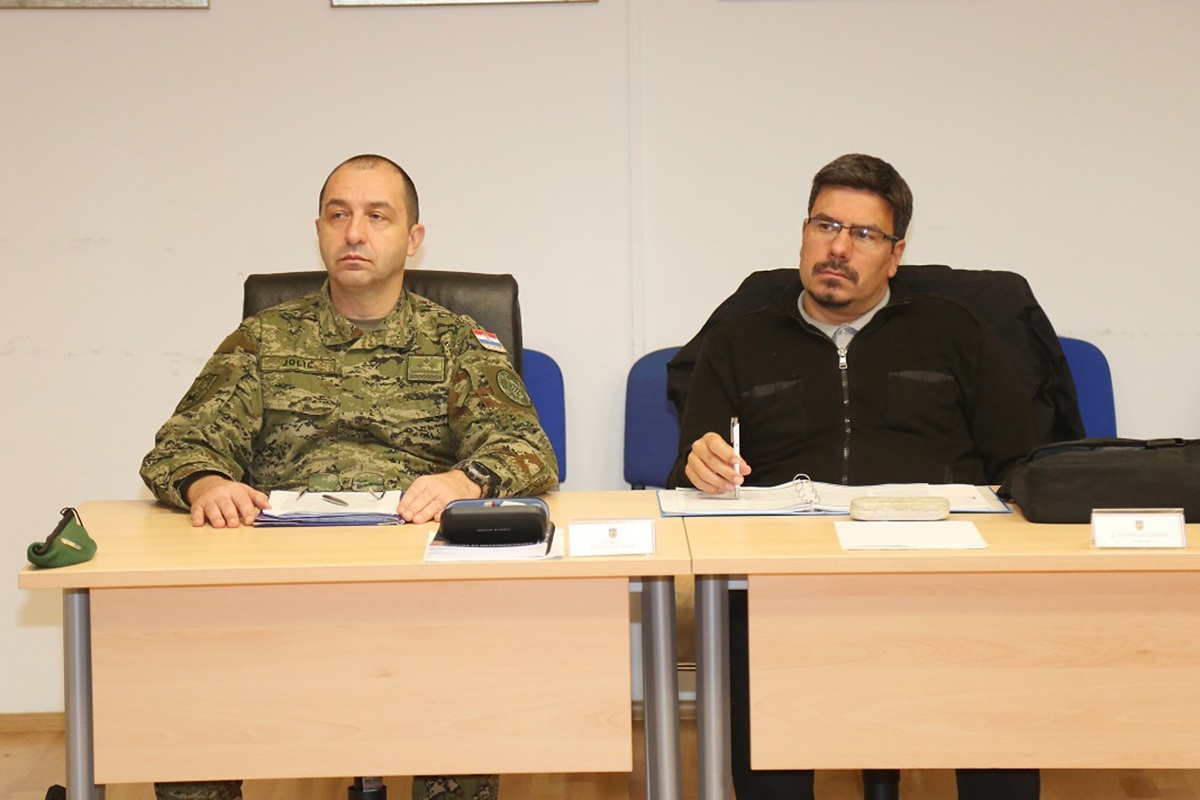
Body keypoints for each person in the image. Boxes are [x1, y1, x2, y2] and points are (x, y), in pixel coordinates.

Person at [140, 154, 558, 800]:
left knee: (463, 698)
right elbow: (181, 444)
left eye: (376, 216)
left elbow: (527, 448)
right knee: (192, 699)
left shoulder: (457, 342)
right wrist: (206, 484)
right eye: (338, 215)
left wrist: (465, 480)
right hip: (281, 582)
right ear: (319, 231)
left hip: (417, 583)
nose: (354, 233)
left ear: (413, 239)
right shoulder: (263, 340)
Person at [668, 153, 1041, 800]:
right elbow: (692, 465)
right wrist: (701, 464)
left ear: (896, 255)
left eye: (864, 234)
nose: (838, 248)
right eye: (825, 226)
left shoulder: (954, 331)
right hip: (785, 581)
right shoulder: (738, 341)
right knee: (756, 682)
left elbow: (1022, 458)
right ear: (803, 233)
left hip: (943, 576)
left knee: (998, 700)